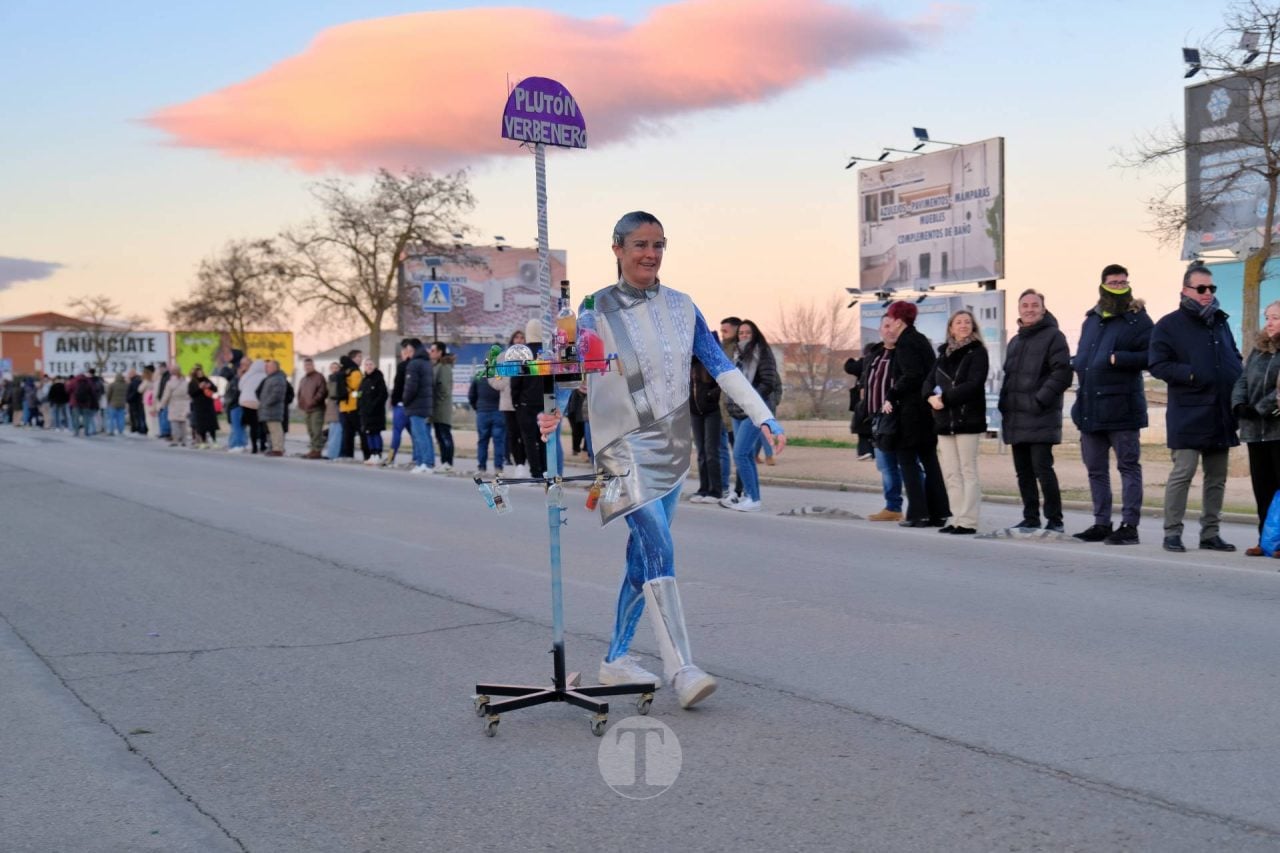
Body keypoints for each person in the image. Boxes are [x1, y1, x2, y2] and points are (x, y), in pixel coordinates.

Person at [537, 211, 785, 709]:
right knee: (660, 545)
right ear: (617, 250)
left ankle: (616, 658)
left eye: (658, 245)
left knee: (642, 557)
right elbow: (571, 368)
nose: (650, 254)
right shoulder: (593, 308)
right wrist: (556, 412)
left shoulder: (682, 306)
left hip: (672, 445)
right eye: (640, 245)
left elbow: (719, 366)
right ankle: (681, 667)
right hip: (619, 447)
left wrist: (764, 418)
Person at [1150, 261, 1243, 553]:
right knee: (1184, 472)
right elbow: (1158, 363)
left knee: (1217, 477)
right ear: (1185, 290)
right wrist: (1191, 374)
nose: (1207, 293)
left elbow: (1233, 354)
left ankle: (1210, 533)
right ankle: (1172, 532)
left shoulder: (1220, 321)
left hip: (1220, 410)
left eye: (1211, 288)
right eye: (1201, 288)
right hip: (1188, 411)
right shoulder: (1168, 324)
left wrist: (1237, 374)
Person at [1070, 264, 1153, 545]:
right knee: (1096, 469)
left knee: (1128, 467)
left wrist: (1122, 359)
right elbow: (1084, 356)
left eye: (1123, 282)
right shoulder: (1090, 320)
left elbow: (1154, 355)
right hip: (1090, 407)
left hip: (1123, 408)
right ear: (1103, 284)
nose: (1119, 286)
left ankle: (1130, 525)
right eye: (1114, 282)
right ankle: (1101, 522)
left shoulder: (1138, 320)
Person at [999, 289, 1072, 532]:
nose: (1029, 309)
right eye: (1025, 305)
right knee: (1023, 472)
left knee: (1042, 468)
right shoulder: (1015, 341)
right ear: (1019, 309)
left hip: (1040, 416)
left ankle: (1055, 520)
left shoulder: (1054, 336)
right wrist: (1004, 405)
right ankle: (1031, 518)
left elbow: (1062, 374)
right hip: (1016, 418)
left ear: (1043, 308)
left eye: (1034, 305)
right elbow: (1009, 378)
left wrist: (1038, 400)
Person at [878, 301, 950, 528]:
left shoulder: (906, 343)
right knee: (930, 461)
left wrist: (891, 393)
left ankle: (918, 513)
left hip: (911, 413)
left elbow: (912, 375)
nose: (890, 325)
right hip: (926, 412)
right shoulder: (921, 340)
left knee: (907, 462)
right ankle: (939, 512)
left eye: (892, 319)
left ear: (899, 320)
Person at [927, 309, 989, 535]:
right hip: (944, 421)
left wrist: (944, 398)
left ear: (973, 327)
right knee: (951, 472)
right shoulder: (942, 354)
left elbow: (973, 384)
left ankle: (968, 521)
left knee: (967, 470)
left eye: (967, 322)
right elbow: (929, 380)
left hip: (967, 419)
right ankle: (956, 517)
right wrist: (930, 397)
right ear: (951, 328)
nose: (963, 325)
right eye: (958, 322)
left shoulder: (978, 352)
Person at [1233, 300, 1280, 556]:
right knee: (1262, 488)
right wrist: (1239, 404)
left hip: (1277, 430)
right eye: (1267, 317)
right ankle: (1265, 539)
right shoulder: (1258, 350)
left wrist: (1259, 408)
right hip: (1255, 433)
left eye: (1275, 317)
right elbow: (1242, 378)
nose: (1269, 323)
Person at [721, 318, 781, 513]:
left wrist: (751, 400)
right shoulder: (737, 354)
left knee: (739, 453)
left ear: (755, 334)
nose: (744, 336)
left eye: (748, 332)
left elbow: (769, 380)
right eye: (741, 333)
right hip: (737, 411)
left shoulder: (762, 352)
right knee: (745, 454)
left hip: (755, 411)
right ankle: (750, 495)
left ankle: (753, 498)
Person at [847, 315, 903, 521]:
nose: (890, 330)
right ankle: (893, 507)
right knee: (885, 466)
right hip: (877, 420)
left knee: (908, 467)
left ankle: (922, 506)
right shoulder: (875, 355)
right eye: (886, 326)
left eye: (894, 326)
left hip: (900, 418)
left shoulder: (905, 354)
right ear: (880, 329)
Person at [688, 358, 723, 503]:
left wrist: (710, 396)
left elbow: (721, 384)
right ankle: (703, 489)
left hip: (711, 412)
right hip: (695, 413)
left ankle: (715, 491)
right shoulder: (687, 364)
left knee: (711, 452)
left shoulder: (709, 362)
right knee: (701, 453)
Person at [401, 338, 437, 473]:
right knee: (424, 434)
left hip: (416, 404)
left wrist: (404, 400)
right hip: (425, 404)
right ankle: (425, 462)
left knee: (419, 435)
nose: (408, 353)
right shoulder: (427, 363)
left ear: (415, 350)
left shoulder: (414, 364)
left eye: (410, 350)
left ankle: (425, 463)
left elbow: (411, 387)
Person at [468, 369, 506, 475]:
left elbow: (471, 395)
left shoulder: (479, 375)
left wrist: (478, 408)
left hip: (482, 412)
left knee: (482, 441)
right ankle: (498, 468)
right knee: (499, 442)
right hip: (499, 412)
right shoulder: (501, 375)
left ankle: (481, 468)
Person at [502, 330, 528, 477]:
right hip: (508, 401)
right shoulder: (503, 357)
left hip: (524, 401)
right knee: (513, 434)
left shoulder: (528, 357)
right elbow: (495, 378)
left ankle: (524, 462)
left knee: (525, 434)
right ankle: (518, 463)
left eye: (522, 337)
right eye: (516, 337)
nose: (519, 340)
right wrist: (508, 383)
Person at [429, 342, 455, 472]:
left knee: (445, 435)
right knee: (439, 436)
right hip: (436, 407)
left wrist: (438, 401)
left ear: (440, 352)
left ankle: (448, 462)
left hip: (442, 407)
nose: (430, 352)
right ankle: (444, 461)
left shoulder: (443, 367)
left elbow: (444, 388)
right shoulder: (436, 366)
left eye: (433, 350)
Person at [358, 357, 388, 464]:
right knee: (368, 433)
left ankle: (378, 454)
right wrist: (359, 403)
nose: (368, 367)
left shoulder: (379, 379)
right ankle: (372, 454)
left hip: (376, 413)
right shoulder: (364, 380)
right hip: (365, 413)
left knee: (375, 433)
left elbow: (383, 395)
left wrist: (374, 406)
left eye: (370, 364)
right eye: (366, 365)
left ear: (374, 366)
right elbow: (360, 394)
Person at [297, 357, 328, 459]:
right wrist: (300, 403)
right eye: (305, 365)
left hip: (317, 408)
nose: (307, 367)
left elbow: (322, 391)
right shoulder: (304, 379)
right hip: (306, 408)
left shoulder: (319, 377)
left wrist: (313, 402)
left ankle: (317, 450)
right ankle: (313, 449)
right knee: (310, 430)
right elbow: (300, 393)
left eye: (309, 365)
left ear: (313, 365)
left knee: (316, 430)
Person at [257, 359, 289, 456]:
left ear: (275, 367)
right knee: (272, 430)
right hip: (269, 409)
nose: (266, 368)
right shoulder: (271, 378)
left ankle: (278, 449)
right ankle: (275, 447)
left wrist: (266, 403)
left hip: (273, 409)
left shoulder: (278, 378)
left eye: (269, 366)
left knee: (276, 430)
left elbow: (276, 394)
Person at [386, 344, 410, 466]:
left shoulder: (402, 366)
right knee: (416, 435)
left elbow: (397, 385)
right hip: (412, 406)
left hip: (400, 405)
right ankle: (418, 459)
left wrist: (393, 400)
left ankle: (391, 457)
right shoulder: (421, 365)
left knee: (396, 433)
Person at [337, 350, 363, 459]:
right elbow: (358, 390)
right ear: (353, 359)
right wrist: (361, 395)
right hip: (353, 406)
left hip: (343, 406)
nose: (361, 359)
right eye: (359, 357)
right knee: (361, 432)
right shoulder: (356, 372)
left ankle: (345, 454)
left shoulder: (342, 371)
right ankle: (368, 455)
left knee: (346, 433)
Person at [238, 359, 267, 454]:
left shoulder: (247, 375)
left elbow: (240, 387)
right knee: (262, 425)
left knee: (252, 426)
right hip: (259, 403)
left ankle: (254, 446)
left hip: (245, 402)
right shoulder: (265, 376)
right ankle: (262, 445)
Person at [158, 365, 190, 447]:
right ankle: (184, 440)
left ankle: (175, 439)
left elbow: (166, 395)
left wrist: (162, 405)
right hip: (184, 403)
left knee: (174, 422)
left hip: (174, 403)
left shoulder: (170, 383)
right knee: (183, 422)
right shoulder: (185, 382)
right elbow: (189, 394)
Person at [188, 366, 219, 448]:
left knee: (211, 424)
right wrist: (199, 388)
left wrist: (210, 386)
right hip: (199, 405)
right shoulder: (193, 382)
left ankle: (214, 441)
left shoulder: (207, 380)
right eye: (198, 373)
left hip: (208, 404)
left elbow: (215, 389)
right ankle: (203, 441)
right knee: (201, 425)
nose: (200, 374)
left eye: (201, 372)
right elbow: (191, 393)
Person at [323, 361, 343, 459]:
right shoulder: (329, 379)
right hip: (331, 407)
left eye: (336, 367)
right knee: (332, 432)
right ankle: (331, 452)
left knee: (336, 432)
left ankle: (333, 454)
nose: (334, 369)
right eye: (332, 368)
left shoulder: (340, 379)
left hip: (337, 407)